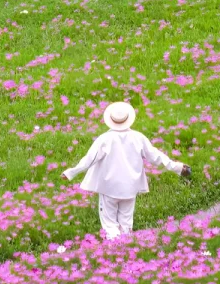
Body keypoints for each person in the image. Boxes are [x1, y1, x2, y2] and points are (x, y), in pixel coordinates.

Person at [63, 100, 190, 239]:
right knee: (126, 223)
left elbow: (89, 159)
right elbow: (156, 156)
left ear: (110, 119)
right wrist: (177, 167)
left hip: (109, 188)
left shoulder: (105, 139)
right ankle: (127, 250)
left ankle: (113, 251)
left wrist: (71, 172)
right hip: (130, 188)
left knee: (109, 224)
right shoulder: (138, 137)